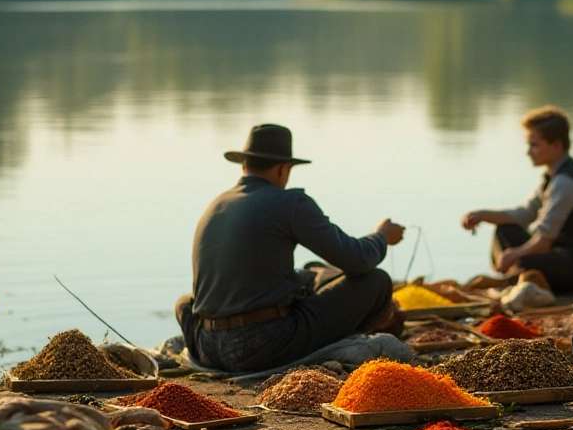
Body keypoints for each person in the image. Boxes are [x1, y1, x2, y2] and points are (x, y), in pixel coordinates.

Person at [173, 124, 406, 373]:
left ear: (244, 166)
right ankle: (356, 337)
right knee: (376, 281)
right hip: (261, 347)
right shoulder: (290, 202)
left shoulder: (216, 204)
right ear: (283, 169)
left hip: (206, 346)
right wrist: (381, 236)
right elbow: (357, 259)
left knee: (308, 272)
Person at [460, 106, 573, 294]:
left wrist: (514, 255)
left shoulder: (566, 182)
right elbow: (524, 214)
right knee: (505, 230)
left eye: (534, 145)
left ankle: (512, 282)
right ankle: (512, 279)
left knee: (522, 261)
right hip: (558, 253)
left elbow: (544, 241)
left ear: (556, 145)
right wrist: (482, 215)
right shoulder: (552, 176)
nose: (529, 152)